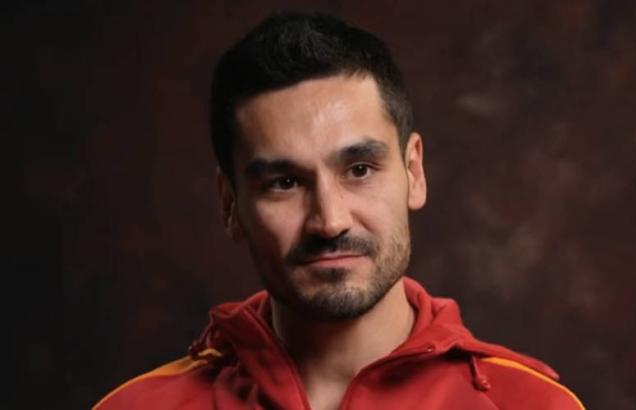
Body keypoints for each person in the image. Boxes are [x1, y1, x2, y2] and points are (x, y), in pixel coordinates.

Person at [94, 12, 585, 410]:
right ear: (230, 204)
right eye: (284, 183)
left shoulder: (532, 405)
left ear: (414, 172)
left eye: (359, 170)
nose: (330, 221)